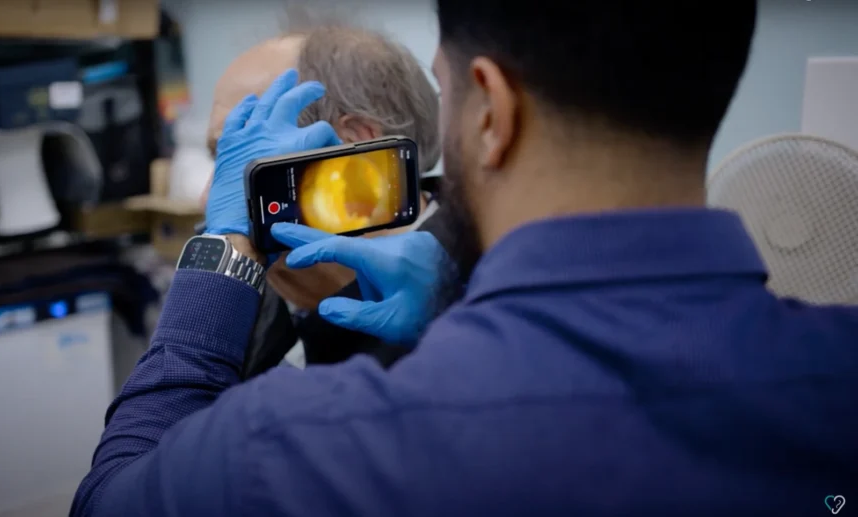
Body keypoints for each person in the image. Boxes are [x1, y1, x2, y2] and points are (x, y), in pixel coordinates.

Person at [72, 2, 858, 516]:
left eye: (236, 156)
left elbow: (110, 499)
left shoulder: (301, 444)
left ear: (491, 114)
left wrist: (222, 252)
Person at [197, 18, 445, 376]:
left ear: (356, 146)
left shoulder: (468, 305)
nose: (206, 200)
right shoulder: (245, 299)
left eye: (243, 161)